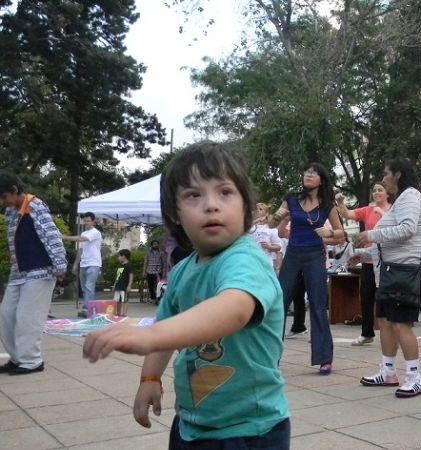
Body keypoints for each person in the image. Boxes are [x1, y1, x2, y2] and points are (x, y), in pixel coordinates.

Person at [82, 141, 290, 449]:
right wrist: (149, 379)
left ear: (246, 205)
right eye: (193, 195)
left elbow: (234, 309)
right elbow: (167, 325)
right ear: (175, 214)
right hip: (192, 421)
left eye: (225, 192)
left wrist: (148, 337)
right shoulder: (181, 271)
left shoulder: (246, 259)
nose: (211, 205)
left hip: (249, 428)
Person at [359, 159, 421, 398]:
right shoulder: (402, 199)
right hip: (390, 270)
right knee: (386, 322)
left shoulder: (410, 196)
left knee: (400, 323)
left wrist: (371, 234)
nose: (383, 179)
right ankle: (388, 371)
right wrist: (365, 252)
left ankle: (414, 376)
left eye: (386, 174)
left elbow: (407, 229)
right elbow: (391, 241)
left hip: (403, 270)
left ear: (398, 175)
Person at [271, 163, 344, 375]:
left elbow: (341, 234)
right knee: (279, 303)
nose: (308, 175)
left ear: (321, 180)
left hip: (314, 255)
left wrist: (329, 235)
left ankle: (324, 358)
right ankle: (270, 357)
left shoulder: (327, 206)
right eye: (306, 172)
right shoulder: (291, 199)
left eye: (313, 173)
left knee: (318, 304)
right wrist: (279, 215)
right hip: (293, 254)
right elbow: (273, 227)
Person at [0, 173, 67, 375]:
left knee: (27, 317)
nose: (2, 201)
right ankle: (17, 357)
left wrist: (60, 266)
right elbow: (13, 243)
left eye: (4, 196)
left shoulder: (36, 206)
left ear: (14, 190)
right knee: (6, 314)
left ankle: (32, 361)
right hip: (19, 272)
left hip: (41, 270)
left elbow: (52, 237)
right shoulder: (11, 211)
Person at [335, 182, 391, 346]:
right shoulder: (367, 210)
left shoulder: (393, 209)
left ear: (388, 193)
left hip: (387, 260)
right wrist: (340, 202)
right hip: (368, 260)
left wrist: (381, 213)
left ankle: (390, 332)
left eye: (380, 190)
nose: (376, 193)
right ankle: (367, 333)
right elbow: (347, 214)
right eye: (374, 190)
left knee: (385, 298)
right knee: (366, 296)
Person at [62, 212, 102, 317]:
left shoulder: (96, 232)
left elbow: (82, 239)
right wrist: (76, 264)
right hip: (84, 264)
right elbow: (80, 250)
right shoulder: (83, 233)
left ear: (93, 221)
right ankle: (88, 307)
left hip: (94, 263)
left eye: (88, 221)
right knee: (84, 288)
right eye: (84, 221)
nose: (86, 223)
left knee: (89, 286)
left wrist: (65, 237)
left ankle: (87, 309)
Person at [248, 202, 283, 269]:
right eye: (256, 209)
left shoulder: (271, 228)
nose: (257, 211)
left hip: (266, 262)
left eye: (260, 209)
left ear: (266, 213)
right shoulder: (250, 226)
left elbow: (278, 247)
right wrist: (257, 220)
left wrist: (269, 247)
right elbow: (243, 231)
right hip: (251, 261)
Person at [113, 249, 134, 317]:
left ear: (124, 256)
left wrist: (129, 285)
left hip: (125, 286)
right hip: (118, 286)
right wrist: (114, 285)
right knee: (117, 300)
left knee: (125, 300)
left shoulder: (129, 265)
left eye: (119, 256)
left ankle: (124, 314)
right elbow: (117, 276)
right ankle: (118, 313)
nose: (118, 258)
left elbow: (131, 275)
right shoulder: (120, 265)